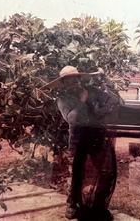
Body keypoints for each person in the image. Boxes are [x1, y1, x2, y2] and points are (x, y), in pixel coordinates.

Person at [40, 66, 121, 221]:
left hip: (97, 137)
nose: (73, 84)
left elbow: (114, 102)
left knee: (105, 173)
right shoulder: (63, 99)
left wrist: (100, 107)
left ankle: (97, 205)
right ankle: (72, 205)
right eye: (68, 82)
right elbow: (72, 119)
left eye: (75, 80)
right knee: (77, 174)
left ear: (79, 79)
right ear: (64, 84)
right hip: (78, 141)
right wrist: (82, 102)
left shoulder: (94, 90)